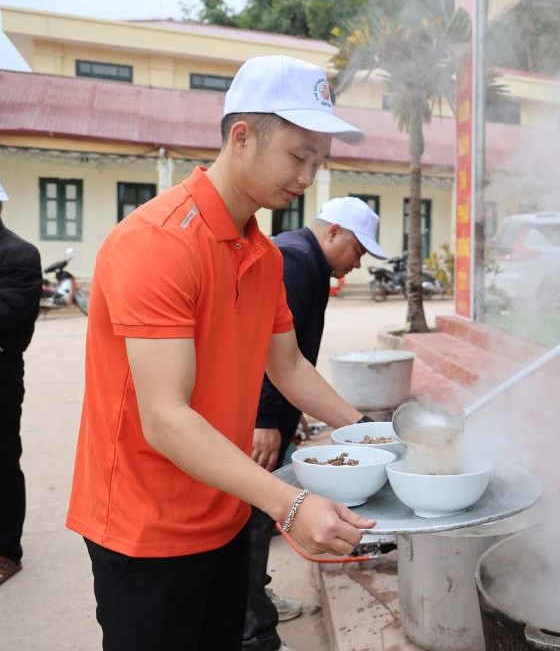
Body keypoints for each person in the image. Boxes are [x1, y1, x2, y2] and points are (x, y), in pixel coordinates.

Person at [66, 54, 378, 650]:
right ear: (242, 137)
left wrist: (374, 434)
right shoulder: (157, 244)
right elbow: (165, 416)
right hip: (145, 527)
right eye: (298, 155)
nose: (309, 178)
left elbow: (287, 366)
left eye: (320, 162)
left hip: (227, 507)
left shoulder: (261, 254)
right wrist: (291, 504)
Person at [244, 196, 387, 651]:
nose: (357, 264)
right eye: (358, 251)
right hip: (258, 418)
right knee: (251, 516)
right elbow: (265, 353)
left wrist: (296, 410)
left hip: (274, 410)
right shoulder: (293, 260)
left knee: (256, 518)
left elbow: (293, 358)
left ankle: (254, 600)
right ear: (333, 233)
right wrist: (267, 418)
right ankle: (252, 627)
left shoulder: (308, 263)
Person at [0, 179, 41, 586]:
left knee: (2, 462)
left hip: (2, 377)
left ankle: (7, 550)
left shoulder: (18, 254)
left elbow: (7, 314)